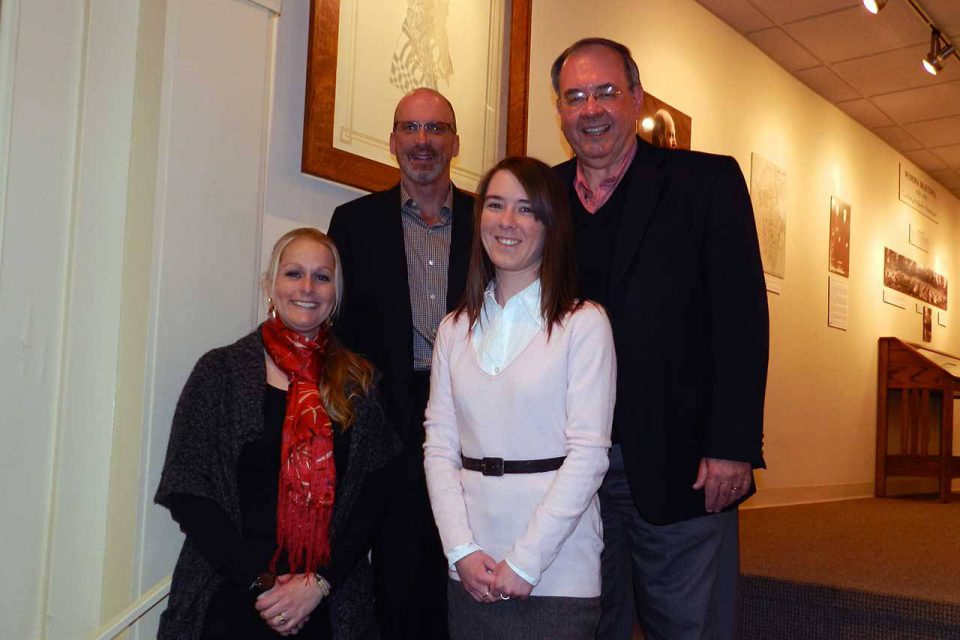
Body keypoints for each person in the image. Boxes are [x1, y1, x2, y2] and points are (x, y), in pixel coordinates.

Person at [550, 38, 769, 639]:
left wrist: (734, 443)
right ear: (560, 111)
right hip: (571, 472)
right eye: (574, 97)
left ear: (636, 98)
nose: (590, 108)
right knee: (589, 627)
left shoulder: (706, 182)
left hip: (683, 465)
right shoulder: (540, 200)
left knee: (689, 627)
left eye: (605, 92)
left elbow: (742, 320)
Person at [155, 228, 401, 639]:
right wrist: (263, 586)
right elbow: (189, 493)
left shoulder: (358, 382)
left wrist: (317, 585)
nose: (307, 287)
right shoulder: (220, 373)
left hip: (330, 604)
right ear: (269, 285)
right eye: (293, 273)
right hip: (231, 597)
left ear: (335, 294)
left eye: (322, 277)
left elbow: (373, 501)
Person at [423, 156, 616, 639]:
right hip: (470, 566)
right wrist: (460, 550)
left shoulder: (583, 323)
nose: (507, 222)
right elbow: (440, 447)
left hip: (558, 568)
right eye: (495, 205)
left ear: (551, 225)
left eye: (526, 209)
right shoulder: (453, 329)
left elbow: (589, 456)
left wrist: (526, 562)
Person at [328, 87, 473, 639]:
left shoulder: (492, 222)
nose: (422, 141)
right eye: (410, 128)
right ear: (392, 141)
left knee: (465, 562)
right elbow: (339, 334)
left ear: (455, 142)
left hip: (473, 416)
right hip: (389, 416)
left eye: (435, 128)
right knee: (397, 570)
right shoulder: (353, 222)